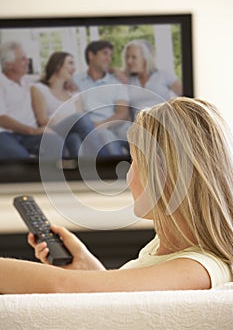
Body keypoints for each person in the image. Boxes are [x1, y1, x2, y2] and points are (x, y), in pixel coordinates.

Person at [0, 96, 233, 294]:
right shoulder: (166, 247)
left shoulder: (199, 269)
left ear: (163, 176)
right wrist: (88, 268)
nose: (128, 176)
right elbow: (126, 303)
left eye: (134, 162)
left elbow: (62, 286)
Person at [31, 51, 107, 158]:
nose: (74, 68)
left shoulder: (74, 94)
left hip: (71, 132)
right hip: (52, 130)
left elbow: (83, 126)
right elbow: (42, 119)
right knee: (79, 117)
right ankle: (103, 159)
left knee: (74, 138)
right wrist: (68, 121)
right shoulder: (39, 89)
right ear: (58, 65)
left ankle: (82, 172)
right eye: (70, 63)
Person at [0, 41, 65, 159]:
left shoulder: (26, 80)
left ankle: (52, 177)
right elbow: (1, 118)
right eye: (23, 59)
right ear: (9, 64)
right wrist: (31, 130)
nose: (28, 61)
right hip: (5, 134)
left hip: (28, 135)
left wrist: (67, 83)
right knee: (21, 159)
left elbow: (50, 79)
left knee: (56, 143)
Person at [73, 40, 131, 156]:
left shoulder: (116, 82)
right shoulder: (76, 81)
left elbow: (123, 113)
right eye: (105, 54)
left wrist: (103, 124)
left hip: (117, 125)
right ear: (91, 55)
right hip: (95, 128)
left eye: (110, 55)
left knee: (140, 136)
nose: (109, 59)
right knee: (107, 138)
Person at [112, 39, 183, 115]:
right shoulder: (126, 79)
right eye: (127, 57)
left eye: (134, 57)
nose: (129, 61)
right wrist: (114, 69)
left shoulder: (163, 75)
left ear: (145, 59)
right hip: (139, 125)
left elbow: (187, 96)